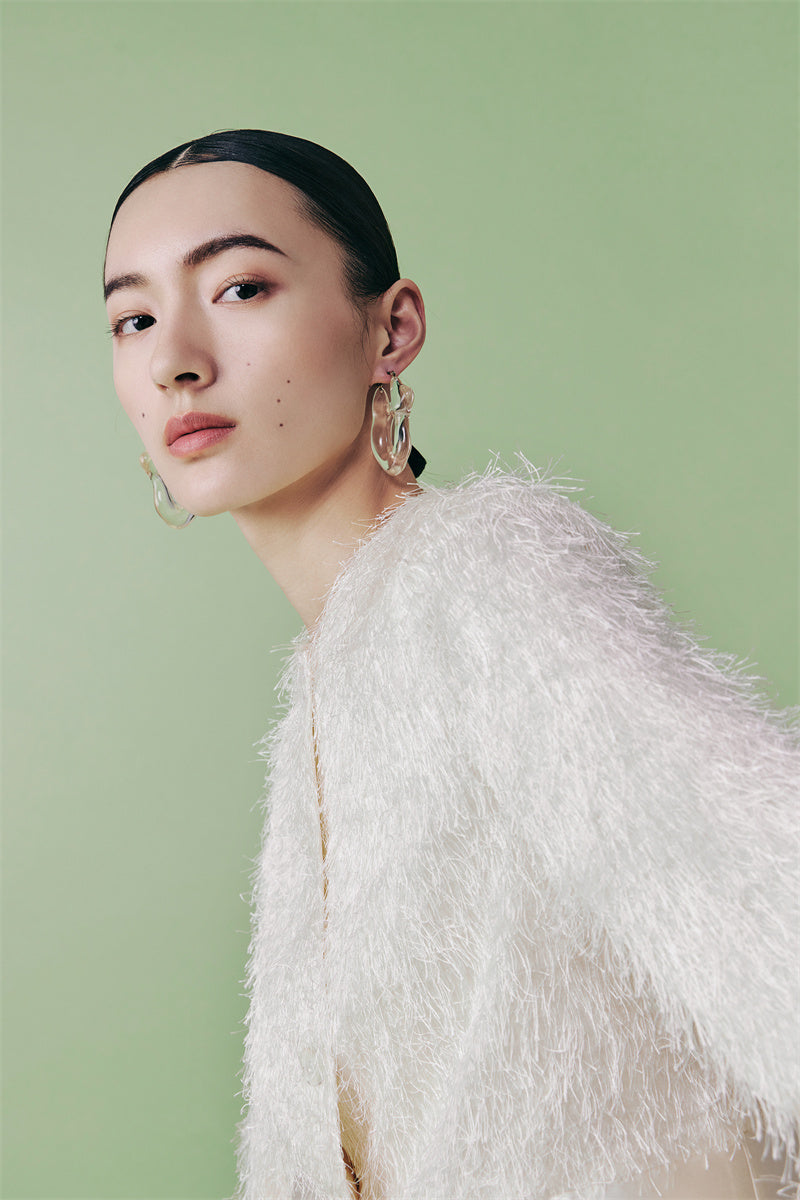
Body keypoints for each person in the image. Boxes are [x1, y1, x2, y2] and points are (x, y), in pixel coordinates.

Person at [104, 130, 798, 1200]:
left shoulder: (484, 580)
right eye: (134, 319)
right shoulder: (332, 677)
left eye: (240, 287)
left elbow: (756, 876)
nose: (174, 360)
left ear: (391, 330)